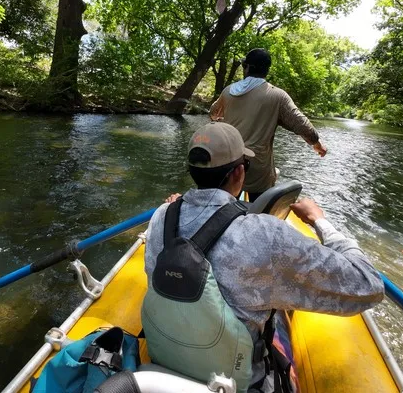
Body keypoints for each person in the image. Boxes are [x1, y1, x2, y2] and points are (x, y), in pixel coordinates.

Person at [140, 122, 384, 393]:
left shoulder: (162, 215)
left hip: (166, 365)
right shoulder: (265, 234)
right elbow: (368, 285)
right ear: (239, 172)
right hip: (236, 382)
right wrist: (320, 221)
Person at [210, 48, 326, 201]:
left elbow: (213, 113)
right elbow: (301, 125)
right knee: (259, 210)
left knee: (224, 206)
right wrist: (316, 144)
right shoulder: (277, 95)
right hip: (257, 169)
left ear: (246, 67)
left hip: (229, 163)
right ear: (267, 70)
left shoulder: (228, 91)